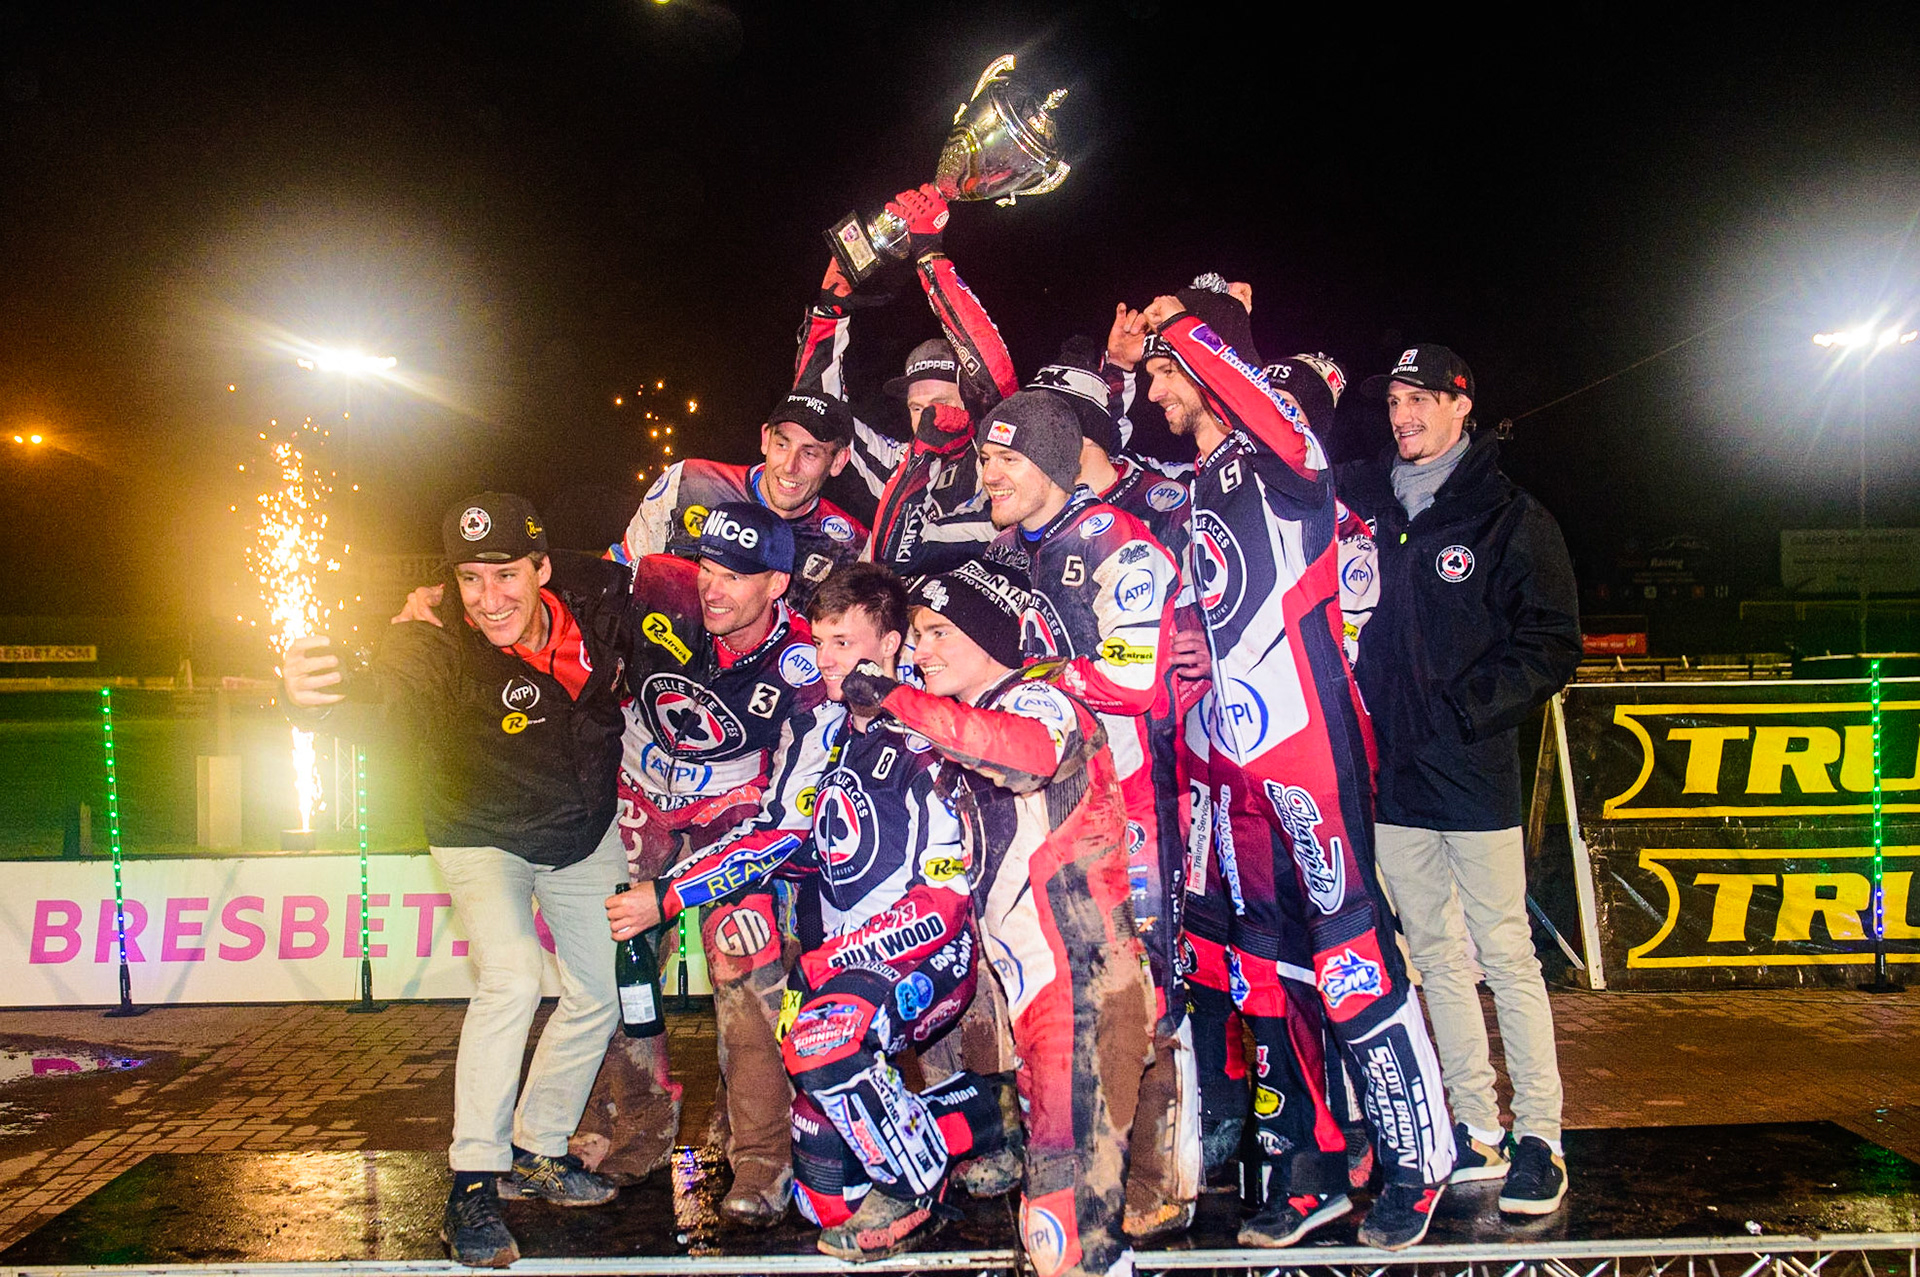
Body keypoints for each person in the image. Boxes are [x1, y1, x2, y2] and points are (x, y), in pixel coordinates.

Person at [1141, 277, 1455, 1250]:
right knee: (1263, 974)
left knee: (1354, 962)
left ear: (1206, 366)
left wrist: (1187, 322)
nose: (1156, 391)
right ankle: (1311, 1162)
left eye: (1164, 373)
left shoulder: (1287, 453)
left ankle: (1419, 1158)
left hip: (1307, 752)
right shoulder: (1194, 485)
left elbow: (1264, 404)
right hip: (1231, 776)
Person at [636, 561, 1017, 1260]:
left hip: (932, 951)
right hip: (845, 967)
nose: (829, 658)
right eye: (822, 641)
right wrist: (666, 894)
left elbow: (945, 895)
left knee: (819, 1043)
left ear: (893, 644)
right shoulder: (817, 728)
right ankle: (985, 1115)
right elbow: (771, 838)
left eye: (847, 642)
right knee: (825, 1194)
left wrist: (834, 961)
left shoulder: (938, 730)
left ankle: (912, 1189)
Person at [286, 493, 629, 1268]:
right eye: (469, 578)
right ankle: (473, 1182)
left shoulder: (598, 597)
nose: (488, 598)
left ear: (542, 568)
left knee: (600, 988)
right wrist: (326, 704)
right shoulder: (434, 637)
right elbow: (394, 699)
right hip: (481, 834)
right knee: (510, 976)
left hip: (580, 831)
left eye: (505, 574)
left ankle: (539, 1147)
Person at [838, 561, 1154, 1277]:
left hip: (1084, 995)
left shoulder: (1043, 702)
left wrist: (894, 696)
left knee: (1068, 1239)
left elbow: (1028, 757)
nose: (921, 650)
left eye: (940, 631)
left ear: (992, 639)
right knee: (1060, 1239)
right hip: (1040, 1000)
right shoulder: (966, 722)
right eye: (917, 635)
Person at [1339, 344, 1582, 1215]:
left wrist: (1469, 708)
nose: (1402, 415)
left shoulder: (1509, 517)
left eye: (1419, 400)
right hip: (1396, 778)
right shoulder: (1369, 503)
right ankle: (1476, 1124)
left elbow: (1553, 641)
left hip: (1474, 776)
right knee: (1434, 955)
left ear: (1460, 407)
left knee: (1505, 953)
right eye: (1394, 400)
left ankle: (1542, 1137)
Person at [970, 389, 1200, 1239]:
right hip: (1046, 808)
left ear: (1058, 466)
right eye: (986, 458)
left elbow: (1135, 680)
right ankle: (1074, 1172)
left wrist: (1037, 683)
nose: (988, 472)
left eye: (1007, 459)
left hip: (1128, 802)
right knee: (1061, 996)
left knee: (1137, 995)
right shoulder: (1008, 548)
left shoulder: (1118, 541)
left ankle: (1156, 1183)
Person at [611, 391, 867, 613]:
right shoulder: (691, 483)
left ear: (838, 461)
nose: (790, 466)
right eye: (782, 444)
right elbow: (620, 571)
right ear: (765, 439)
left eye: (809, 453)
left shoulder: (853, 548)